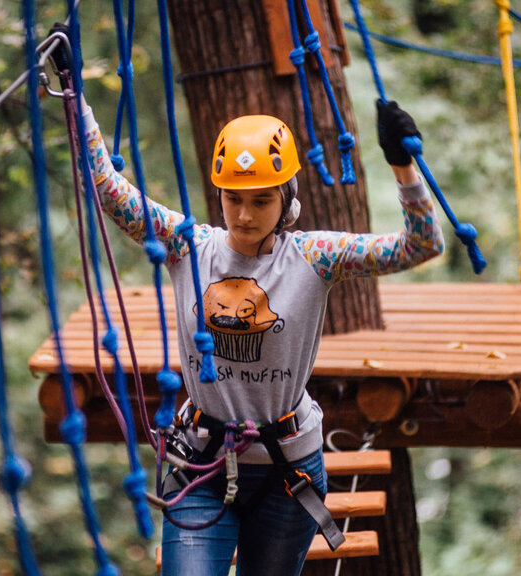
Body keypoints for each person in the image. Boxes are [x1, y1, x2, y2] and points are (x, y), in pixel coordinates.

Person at [77, 88, 443, 575]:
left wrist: (403, 167)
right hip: (202, 464)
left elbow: (422, 245)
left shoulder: (314, 257)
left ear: (287, 199)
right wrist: (78, 99)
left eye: (262, 200)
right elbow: (108, 189)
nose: (245, 215)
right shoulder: (188, 246)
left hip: (288, 473)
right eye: (233, 199)